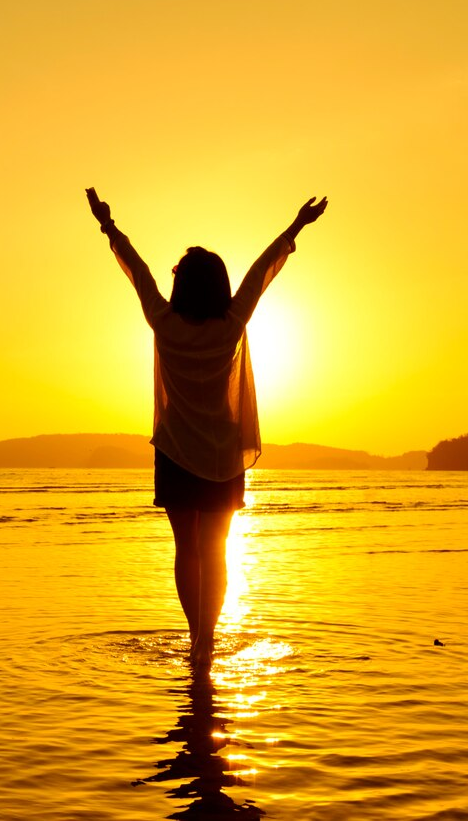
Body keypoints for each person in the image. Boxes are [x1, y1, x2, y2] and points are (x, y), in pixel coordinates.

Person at [85, 187, 327, 669]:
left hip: (175, 449)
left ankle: (196, 634)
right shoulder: (231, 322)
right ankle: (207, 640)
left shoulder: (163, 320)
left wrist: (108, 226)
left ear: (181, 287)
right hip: (220, 453)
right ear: (220, 287)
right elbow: (261, 274)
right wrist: (296, 226)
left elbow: (139, 273)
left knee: (186, 550)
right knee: (215, 550)